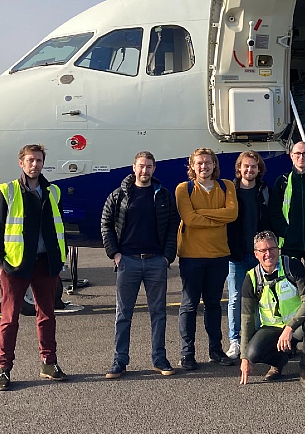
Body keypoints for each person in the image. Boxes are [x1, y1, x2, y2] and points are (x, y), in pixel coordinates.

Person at [0, 144, 67, 391]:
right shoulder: (7, 191)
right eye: (31, 160)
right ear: (21, 163)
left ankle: (48, 362)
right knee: (9, 319)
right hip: (15, 265)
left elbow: (58, 226)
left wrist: (59, 259)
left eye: (39, 161)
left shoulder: (52, 191)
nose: (35, 165)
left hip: (46, 263)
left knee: (47, 315)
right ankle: (4, 369)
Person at [100, 151, 180, 379]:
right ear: (133, 168)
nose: (145, 171)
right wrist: (114, 254)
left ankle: (159, 358)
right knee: (123, 314)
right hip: (128, 262)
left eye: (149, 167)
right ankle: (120, 360)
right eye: (141, 166)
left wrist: (166, 257)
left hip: (156, 261)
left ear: (154, 169)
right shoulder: (119, 195)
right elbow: (106, 223)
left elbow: (173, 226)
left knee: (158, 313)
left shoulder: (163, 195)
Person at [175, 148, 238, 370]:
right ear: (192, 166)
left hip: (219, 254)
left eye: (208, 162)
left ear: (214, 164)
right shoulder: (183, 189)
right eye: (199, 163)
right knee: (189, 305)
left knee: (213, 305)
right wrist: (217, 218)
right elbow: (189, 219)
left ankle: (215, 350)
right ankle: (187, 353)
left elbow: (232, 214)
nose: (204, 166)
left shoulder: (226, 186)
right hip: (191, 256)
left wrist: (203, 213)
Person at [239, 231, 305, 389]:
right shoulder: (251, 278)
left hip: (297, 326)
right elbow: (247, 320)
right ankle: (278, 362)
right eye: (263, 251)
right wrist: (244, 358)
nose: (268, 254)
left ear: (278, 249)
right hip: (272, 328)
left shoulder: (293, 265)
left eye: (272, 248)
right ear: (256, 254)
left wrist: (290, 327)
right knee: (253, 353)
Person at [269, 142, 305, 313]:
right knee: (289, 288)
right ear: (291, 155)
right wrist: (286, 233)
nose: (301, 157)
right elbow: (274, 212)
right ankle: (291, 332)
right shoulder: (283, 181)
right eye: (298, 153)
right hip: (289, 245)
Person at [225, 151, 271, 359]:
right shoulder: (230, 190)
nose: (249, 170)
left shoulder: (264, 191)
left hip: (259, 256)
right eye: (246, 166)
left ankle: (256, 339)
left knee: (261, 298)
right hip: (236, 255)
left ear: (258, 169)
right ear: (239, 168)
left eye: (253, 166)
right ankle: (235, 340)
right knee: (235, 298)